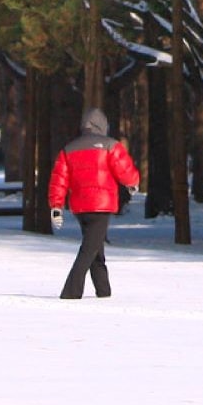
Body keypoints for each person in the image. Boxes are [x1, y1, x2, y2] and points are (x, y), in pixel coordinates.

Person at [44, 107, 140, 299]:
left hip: (80, 206)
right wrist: (132, 184)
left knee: (95, 248)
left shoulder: (69, 148)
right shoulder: (110, 146)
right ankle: (71, 292)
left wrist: (56, 206)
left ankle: (103, 291)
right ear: (102, 125)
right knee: (89, 249)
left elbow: (59, 180)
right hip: (102, 205)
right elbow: (125, 170)